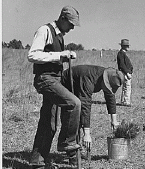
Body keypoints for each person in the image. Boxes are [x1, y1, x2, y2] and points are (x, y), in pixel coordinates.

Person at [27, 6, 81, 168]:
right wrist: (60, 55)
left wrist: (63, 57)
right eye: (71, 24)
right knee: (74, 103)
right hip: (45, 79)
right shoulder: (45, 30)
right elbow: (32, 55)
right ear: (62, 18)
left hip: (55, 80)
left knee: (49, 123)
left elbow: (51, 57)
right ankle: (67, 142)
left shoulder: (59, 35)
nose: (72, 28)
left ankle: (37, 161)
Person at [61, 65, 125, 154]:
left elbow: (110, 97)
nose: (107, 89)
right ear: (104, 80)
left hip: (78, 88)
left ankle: (75, 150)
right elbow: (85, 105)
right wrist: (87, 134)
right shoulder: (89, 79)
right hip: (66, 85)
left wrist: (114, 120)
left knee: (78, 117)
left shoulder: (108, 76)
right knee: (73, 117)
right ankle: (71, 151)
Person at [117, 39, 133, 106]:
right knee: (127, 87)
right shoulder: (121, 54)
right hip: (125, 73)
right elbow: (122, 65)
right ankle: (126, 102)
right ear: (123, 46)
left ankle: (124, 101)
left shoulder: (122, 54)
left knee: (125, 87)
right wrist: (127, 73)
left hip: (125, 73)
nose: (128, 47)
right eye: (127, 46)